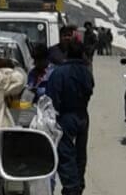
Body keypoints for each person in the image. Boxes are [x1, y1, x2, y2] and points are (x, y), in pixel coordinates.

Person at [46, 40, 95, 195]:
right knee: (80, 153)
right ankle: (79, 184)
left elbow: (51, 97)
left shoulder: (59, 72)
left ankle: (71, 187)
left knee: (66, 153)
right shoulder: (86, 72)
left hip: (65, 117)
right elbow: (90, 90)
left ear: (66, 53)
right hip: (82, 115)